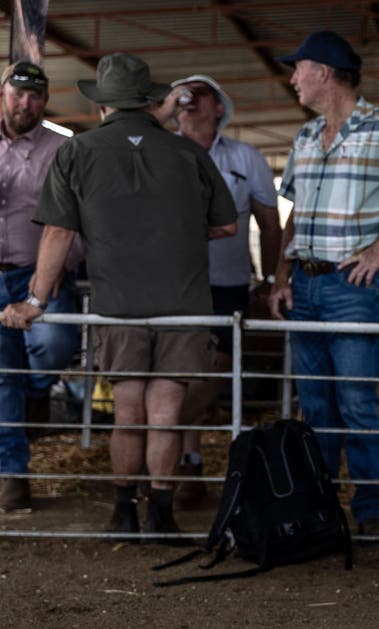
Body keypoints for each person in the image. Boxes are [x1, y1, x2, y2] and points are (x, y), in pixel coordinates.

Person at [0, 53, 237, 537]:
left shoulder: (76, 152)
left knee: (128, 412)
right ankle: (162, 515)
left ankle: (125, 511)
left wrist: (36, 301)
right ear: (149, 100)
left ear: (102, 105)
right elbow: (228, 224)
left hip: (118, 302)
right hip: (184, 303)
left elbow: (58, 235)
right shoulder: (189, 152)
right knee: (167, 413)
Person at [267, 32, 379, 538]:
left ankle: (371, 511)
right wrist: (281, 276)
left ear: (324, 73)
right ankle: (322, 509)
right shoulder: (305, 137)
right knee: (317, 405)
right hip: (305, 286)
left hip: (354, 284)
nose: (292, 79)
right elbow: (295, 215)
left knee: (356, 401)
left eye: (298, 69)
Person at [169, 73, 282, 509]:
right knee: (180, 372)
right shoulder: (162, 150)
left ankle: (165, 441)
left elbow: (270, 223)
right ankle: (187, 461)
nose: (190, 99)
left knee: (210, 373)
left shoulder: (245, 157)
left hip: (227, 281)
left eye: (202, 94)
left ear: (220, 108)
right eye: (184, 94)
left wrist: (270, 280)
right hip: (172, 282)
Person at [0, 61, 81, 513]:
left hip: (40, 274)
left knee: (55, 344)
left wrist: (55, 270)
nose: (24, 103)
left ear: (45, 102)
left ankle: (36, 392)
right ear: (3, 93)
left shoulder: (62, 148)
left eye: (34, 96)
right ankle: (14, 476)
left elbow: (75, 219)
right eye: (17, 94)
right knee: (2, 379)